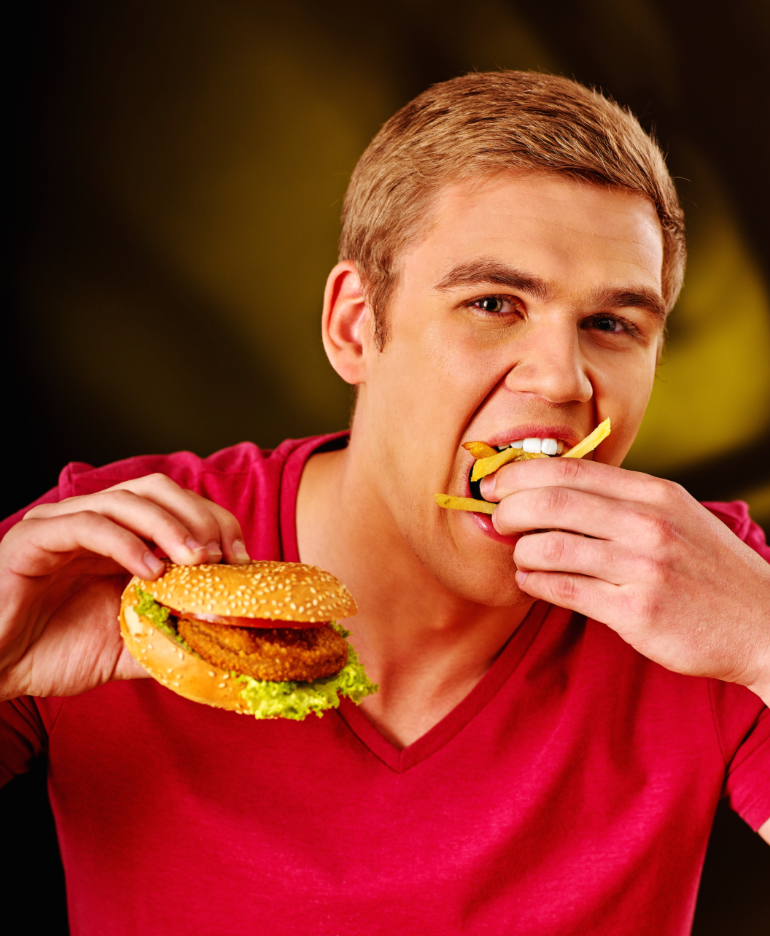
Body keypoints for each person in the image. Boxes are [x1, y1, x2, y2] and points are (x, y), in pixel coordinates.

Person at [1, 71, 768, 935]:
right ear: (355, 326)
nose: (562, 378)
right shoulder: (104, 561)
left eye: (613, 325)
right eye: (493, 304)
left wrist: (762, 641)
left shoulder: (711, 585)